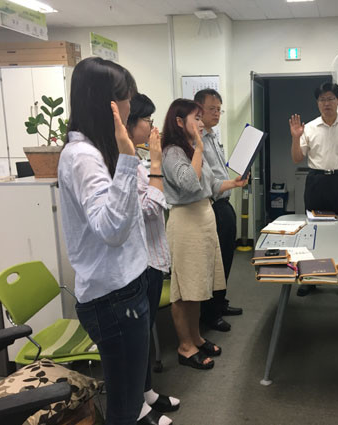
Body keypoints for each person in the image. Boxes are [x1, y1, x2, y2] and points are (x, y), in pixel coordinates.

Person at [58, 56, 150, 424]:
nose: (130, 106)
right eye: (126, 97)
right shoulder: (82, 157)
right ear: (108, 104)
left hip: (124, 288)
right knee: (125, 407)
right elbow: (111, 229)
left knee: (129, 399)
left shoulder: (97, 149)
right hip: (113, 298)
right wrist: (128, 159)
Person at [161, 99, 248, 370]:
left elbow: (209, 185)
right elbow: (189, 183)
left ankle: (196, 337)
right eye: (196, 118)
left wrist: (233, 183)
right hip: (186, 223)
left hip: (203, 218)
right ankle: (185, 347)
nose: (201, 123)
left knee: (198, 286)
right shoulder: (173, 152)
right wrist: (199, 147)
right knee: (184, 290)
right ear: (179, 122)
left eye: (201, 118)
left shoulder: (190, 148)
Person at [126, 93, 179, 425]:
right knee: (138, 337)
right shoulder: (123, 162)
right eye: (147, 120)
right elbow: (147, 208)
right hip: (141, 261)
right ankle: (138, 403)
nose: (151, 127)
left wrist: (153, 165)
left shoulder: (136, 157)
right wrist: (157, 164)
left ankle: (146, 392)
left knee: (144, 335)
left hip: (154, 257)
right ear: (131, 123)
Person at [289, 82, 338, 299]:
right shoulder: (309, 128)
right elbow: (297, 158)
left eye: (330, 99)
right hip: (316, 181)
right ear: (317, 103)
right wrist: (295, 137)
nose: (326, 103)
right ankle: (312, 278)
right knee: (314, 230)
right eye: (322, 99)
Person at [194, 88, 243, 333]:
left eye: (219, 110)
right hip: (211, 206)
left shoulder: (212, 136)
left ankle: (220, 303)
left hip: (224, 204)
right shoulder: (196, 139)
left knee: (226, 259)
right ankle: (210, 314)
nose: (216, 113)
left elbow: (219, 171)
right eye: (211, 109)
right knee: (214, 263)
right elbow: (206, 181)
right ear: (198, 109)